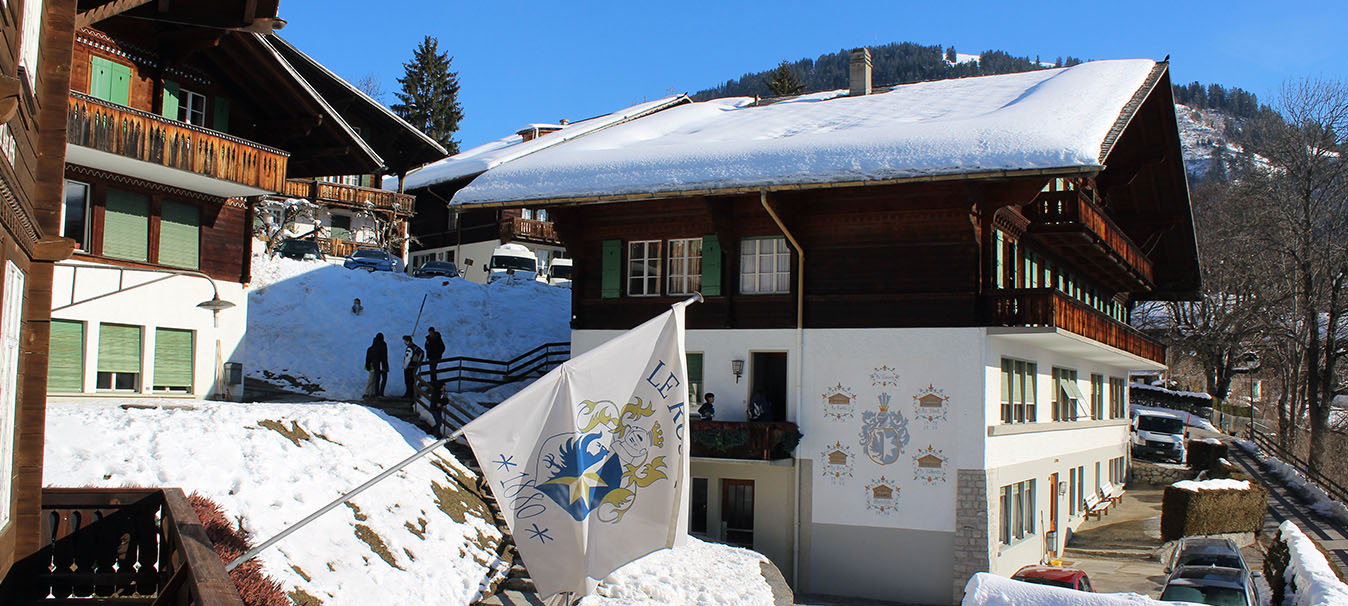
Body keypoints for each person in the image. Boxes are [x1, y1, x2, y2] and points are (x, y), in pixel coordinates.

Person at [363, 333, 388, 399]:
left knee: (373, 379)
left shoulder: (371, 348)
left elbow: (368, 358)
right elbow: (384, 356)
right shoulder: (383, 345)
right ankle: (375, 393)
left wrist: (367, 365)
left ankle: (369, 393)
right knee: (375, 380)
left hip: (373, 365)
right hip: (380, 364)